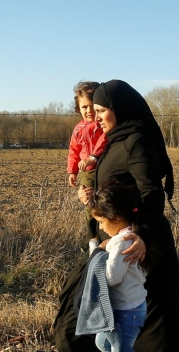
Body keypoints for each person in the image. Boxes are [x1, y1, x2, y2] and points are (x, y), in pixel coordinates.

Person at [34, 79, 179, 352]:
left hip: (140, 236)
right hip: (114, 231)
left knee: (155, 303)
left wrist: (141, 235)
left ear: (120, 109)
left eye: (102, 110)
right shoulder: (116, 139)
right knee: (90, 289)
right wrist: (90, 193)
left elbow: (152, 194)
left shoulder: (137, 141)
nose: (97, 116)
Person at [77, 180, 159, 352]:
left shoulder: (122, 242)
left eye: (102, 221)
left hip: (127, 311)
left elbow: (112, 277)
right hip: (124, 308)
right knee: (102, 343)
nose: (101, 227)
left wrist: (98, 254)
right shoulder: (122, 237)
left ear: (115, 217)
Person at [67, 81, 107, 238]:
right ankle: (93, 237)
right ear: (78, 108)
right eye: (84, 107)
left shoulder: (102, 124)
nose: (89, 110)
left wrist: (93, 157)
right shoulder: (78, 129)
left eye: (92, 105)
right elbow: (73, 150)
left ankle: (106, 233)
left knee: (104, 202)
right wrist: (72, 171)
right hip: (87, 172)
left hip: (102, 167)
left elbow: (104, 140)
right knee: (89, 203)